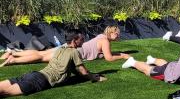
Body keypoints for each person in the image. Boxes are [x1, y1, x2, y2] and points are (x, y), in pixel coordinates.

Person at [0, 30, 106, 98]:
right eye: (81, 39)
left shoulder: (60, 49)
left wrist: (85, 75)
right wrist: (96, 78)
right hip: (40, 80)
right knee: (5, 92)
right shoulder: (74, 52)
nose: (83, 41)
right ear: (74, 41)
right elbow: (83, 71)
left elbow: (74, 69)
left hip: (33, 74)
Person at [0, 26, 129, 67]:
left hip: (69, 46)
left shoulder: (102, 36)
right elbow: (109, 58)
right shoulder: (105, 41)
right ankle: (13, 59)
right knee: (40, 57)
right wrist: (122, 55)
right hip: (72, 50)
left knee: (43, 54)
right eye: (116, 34)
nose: (118, 36)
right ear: (110, 33)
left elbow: (98, 52)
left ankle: (14, 53)